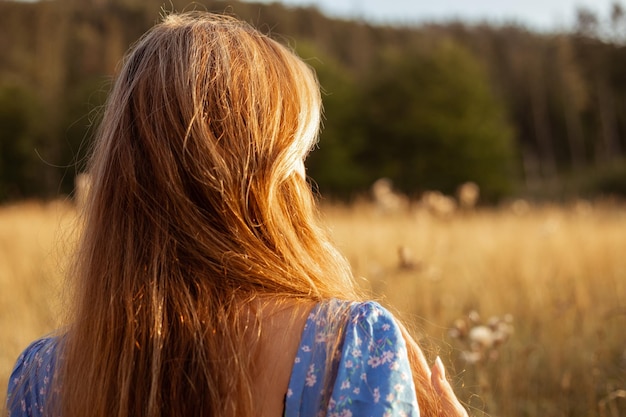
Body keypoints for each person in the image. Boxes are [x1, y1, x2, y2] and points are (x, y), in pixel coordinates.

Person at [6, 11, 468, 417]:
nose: (305, 178)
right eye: (299, 153)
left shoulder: (40, 379)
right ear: (267, 175)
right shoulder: (349, 349)